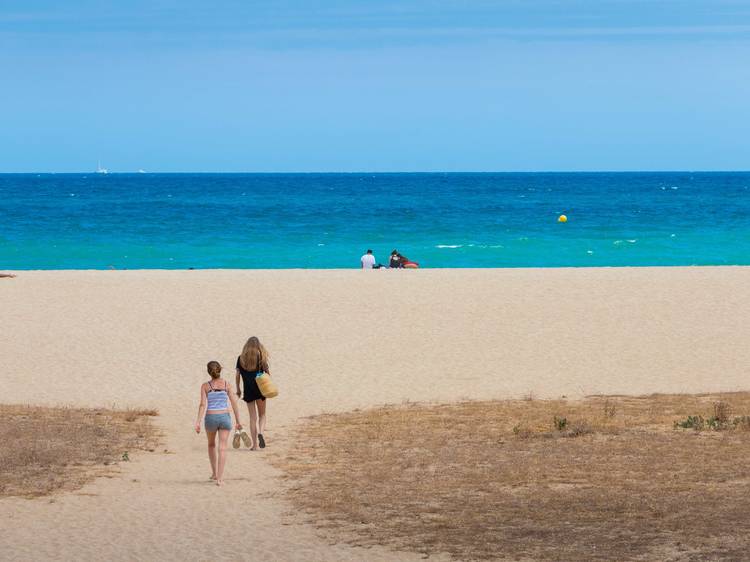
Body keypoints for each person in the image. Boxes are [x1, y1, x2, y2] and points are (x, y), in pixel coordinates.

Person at [194, 361, 243, 486]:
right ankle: (220, 479)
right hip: (224, 417)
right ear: (220, 370)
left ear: (208, 372)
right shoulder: (227, 384)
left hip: (210, 417)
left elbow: (202, 404)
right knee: (222, 447)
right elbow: (234, 403)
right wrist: (238, 421)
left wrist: (198, 422)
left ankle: (214, 473)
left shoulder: (205, 386)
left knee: (211, 445)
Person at [236, 337, 271, 450]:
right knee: (262, 415)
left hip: (248, 390)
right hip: (260, 389)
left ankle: (255, 445)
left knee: (252, 418)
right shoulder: (261, 357)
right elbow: (268, 374)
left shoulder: (241, 359)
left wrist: (238, 389)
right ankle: (261, 432)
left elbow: (237, 375)